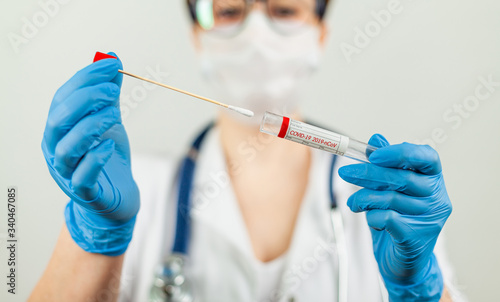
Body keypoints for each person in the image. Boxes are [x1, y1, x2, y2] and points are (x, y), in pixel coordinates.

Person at [29, 0, 464, 301]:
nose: (257, 34)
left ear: (320, 35)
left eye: (284, 9)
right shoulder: (128, 192)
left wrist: (419, 290)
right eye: (230, 10)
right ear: (198, 37)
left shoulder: (388, 206)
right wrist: (93, 237)